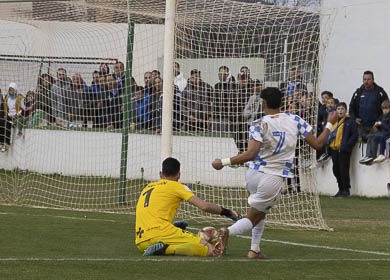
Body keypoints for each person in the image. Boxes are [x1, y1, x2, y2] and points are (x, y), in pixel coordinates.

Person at [212, 87, 337, 259]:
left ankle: (254, 249)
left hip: (253, 175)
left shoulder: (258, 123)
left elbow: (250, 154)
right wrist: (330, 124)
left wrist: (223, 162)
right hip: (273, 177)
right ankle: (227, 232)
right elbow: (317, 144)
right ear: (282, 102)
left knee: (259, 212)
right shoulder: (295, 119)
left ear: (263, 103)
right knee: (253, 217)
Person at [134, 157, 239, 257]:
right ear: (179, 175)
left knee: (176, 242)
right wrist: (227, 212)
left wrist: (173, 226)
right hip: (161, 233)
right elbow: (204, 206)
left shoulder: (147, 187)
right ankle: (165, 249)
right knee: (213, 250)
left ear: (160, 174)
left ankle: (161, 248)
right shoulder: (177, 186)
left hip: (141, 242)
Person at [326, 101, 359, 196]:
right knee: (335, 169)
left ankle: (346, 190)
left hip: (343, 150)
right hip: (334, 149)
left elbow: (355, 135)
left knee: (343, 169)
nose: (340, 111)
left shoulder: (350, 121)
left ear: (346, 110)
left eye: (342, 109)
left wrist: (347, 146)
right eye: (338, 109)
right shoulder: (333, 121)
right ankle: (340, 189)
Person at [348, 71, 389, 138]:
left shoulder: (380, 92)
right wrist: (354, 118)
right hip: (360, 127)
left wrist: (378, 122)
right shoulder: (358, 93)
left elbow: (387, 109)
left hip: (375, 127)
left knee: (373, 146)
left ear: (373, 80)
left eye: (368, 79)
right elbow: (351, 108)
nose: (366, 81)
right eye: (364, 79)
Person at [358, 99, 390, 165]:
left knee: (374, 137)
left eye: (387, 109)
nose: (385, 110)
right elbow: (377, 128)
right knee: (371, 136)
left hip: (387, 134)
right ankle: (368, 155)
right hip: (381, 133)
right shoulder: (382, 116)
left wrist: (381, 124)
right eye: (383, 109)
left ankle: (373, 156)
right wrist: (376, 126)